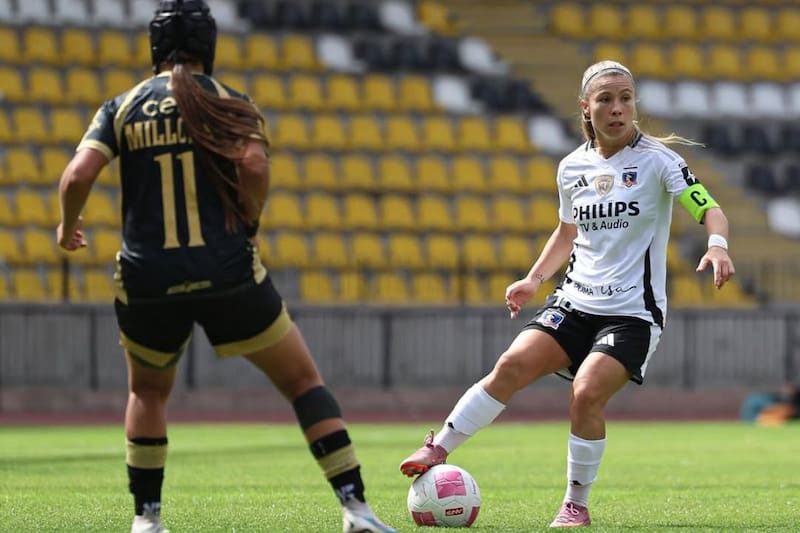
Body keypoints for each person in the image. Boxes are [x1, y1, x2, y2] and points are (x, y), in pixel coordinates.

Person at [55, 2, 397, 533]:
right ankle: (355, 509)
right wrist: (249, 219)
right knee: (303, 382)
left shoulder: (121, 108)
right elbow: (254, 165)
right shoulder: (230, 102)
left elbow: (77, 175)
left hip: (148, 280)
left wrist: (66, 226)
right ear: (208, 46)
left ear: (155, 47)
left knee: (147, 393)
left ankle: (147, 520)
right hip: (227, 272)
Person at [398, 60, 736, 528]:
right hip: (574, 301)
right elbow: (566, 232)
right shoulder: (572, 166)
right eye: (606, 99)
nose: (617, 109)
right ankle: (438, 447)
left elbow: (711, 209)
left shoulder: (659, 161)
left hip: (632, 314)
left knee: (586, 392)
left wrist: (717, 246)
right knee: (510, 366)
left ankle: (576, 502)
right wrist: (533, 280)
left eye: (625, 99)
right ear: (585, 107)